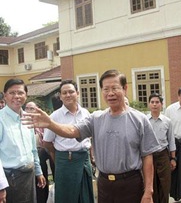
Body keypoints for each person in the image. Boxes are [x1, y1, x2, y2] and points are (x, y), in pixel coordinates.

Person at [23, 69, 161, 203]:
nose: (110, 93)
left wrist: (148, 191)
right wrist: (50, 124)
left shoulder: (139, 119)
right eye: (106, 89)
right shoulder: (96, 118)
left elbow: (147, 156)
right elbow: (72, 131)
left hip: (131, 184)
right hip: (104, 184)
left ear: (125, 89)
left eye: (115, 88)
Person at [43, 80, 94, 203]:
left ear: (77, 93)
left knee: (85, 197)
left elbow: (89, 138)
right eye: (64, 93)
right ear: (60, 96)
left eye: (71, 92)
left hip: (84, 159)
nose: (68, 95)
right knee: (66, 198)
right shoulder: (54, 116)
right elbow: (47, 143)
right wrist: (59, 157)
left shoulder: (86, 113)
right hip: (65, 161)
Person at [0, 78, 46, 203]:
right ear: (5, 95)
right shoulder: (1, 119)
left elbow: (33, 149)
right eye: (12, 93)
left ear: (26, 95)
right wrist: (1, 186)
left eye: (20, 93)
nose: (17, 96)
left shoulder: (27, 118)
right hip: (10, 179)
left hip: (28, 176)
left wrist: (38, 172)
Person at [147, 93, 176, 203]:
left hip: (163, 155)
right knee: (151, 185)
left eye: (157, 102)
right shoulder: (144, 121)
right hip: (149, 156)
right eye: (152, 102)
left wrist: (173, 158)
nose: (154, 105)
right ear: (149, 104)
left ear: (161, 104)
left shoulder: (167, 121)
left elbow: (171, 141)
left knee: (164, 185)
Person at [25, 101, 55, 203]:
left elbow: (47, 140)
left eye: (32, 108)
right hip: (29, 159)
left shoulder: (43, 122)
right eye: (27, 108)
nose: (29, 111)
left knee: (43, 180)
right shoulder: (22, 123)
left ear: (37, 109)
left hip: (43, 154)